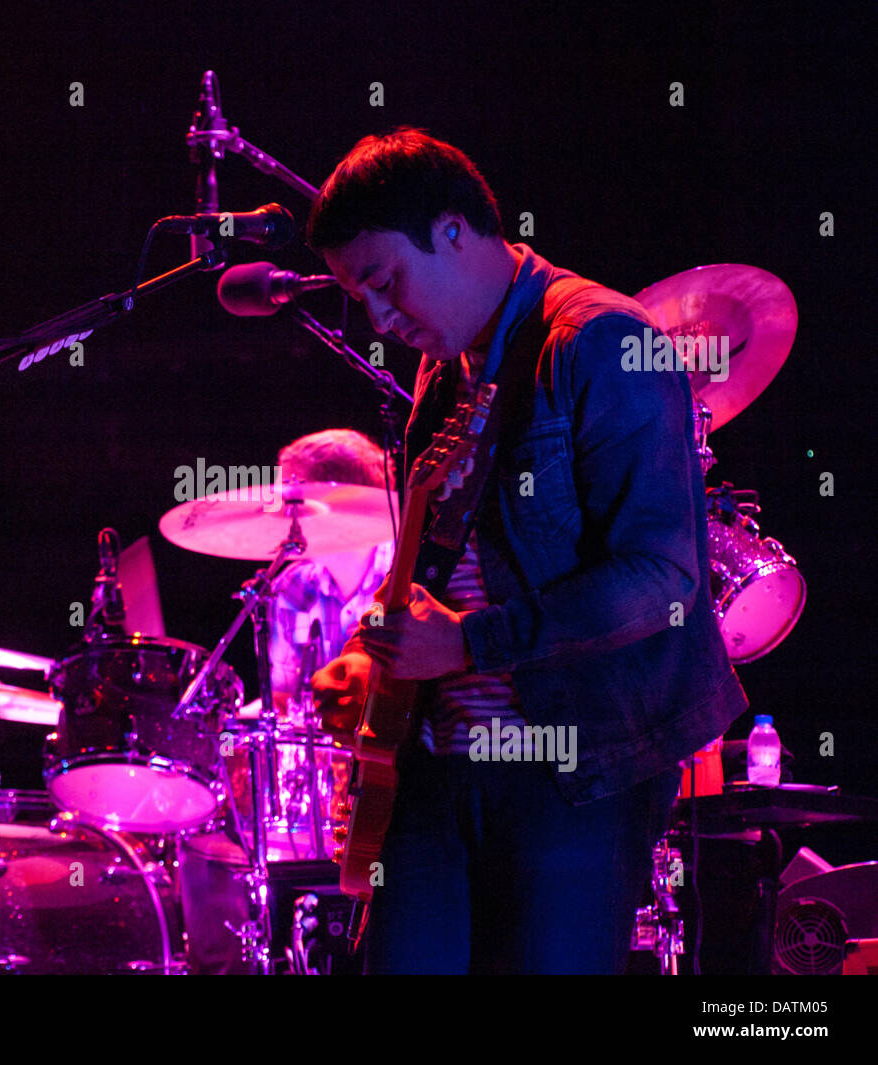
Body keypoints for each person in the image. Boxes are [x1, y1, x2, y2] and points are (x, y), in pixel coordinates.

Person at [306, 128, 748, 974]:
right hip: (443, 763)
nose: (380, 318)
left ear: (452, 230)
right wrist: (390, 661)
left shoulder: (604, 339)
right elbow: (454, 568)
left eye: (384, 282)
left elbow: (664, 579)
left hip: (572, 768)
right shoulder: (448, 370)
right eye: (360, 297)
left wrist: (469, 644)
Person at [266, 428, 395, 715]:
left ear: (344, 502)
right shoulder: (292, 588)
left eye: (295, 501)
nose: (284, 514)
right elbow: (283, 705)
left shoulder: (407, 575)